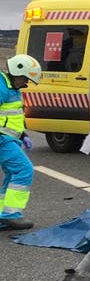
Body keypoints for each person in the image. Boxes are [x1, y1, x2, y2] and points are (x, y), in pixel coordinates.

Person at [0, 55, 42, 231]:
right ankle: (11, 215)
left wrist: (22, 134)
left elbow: (12, 115)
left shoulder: (11, 87)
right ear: (16, 72)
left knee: (12, 174)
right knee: (24, 170)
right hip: (3, 140)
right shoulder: (2, 87)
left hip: (9, 139)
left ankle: (4, 213)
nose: (26, 83)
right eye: (25, 79)